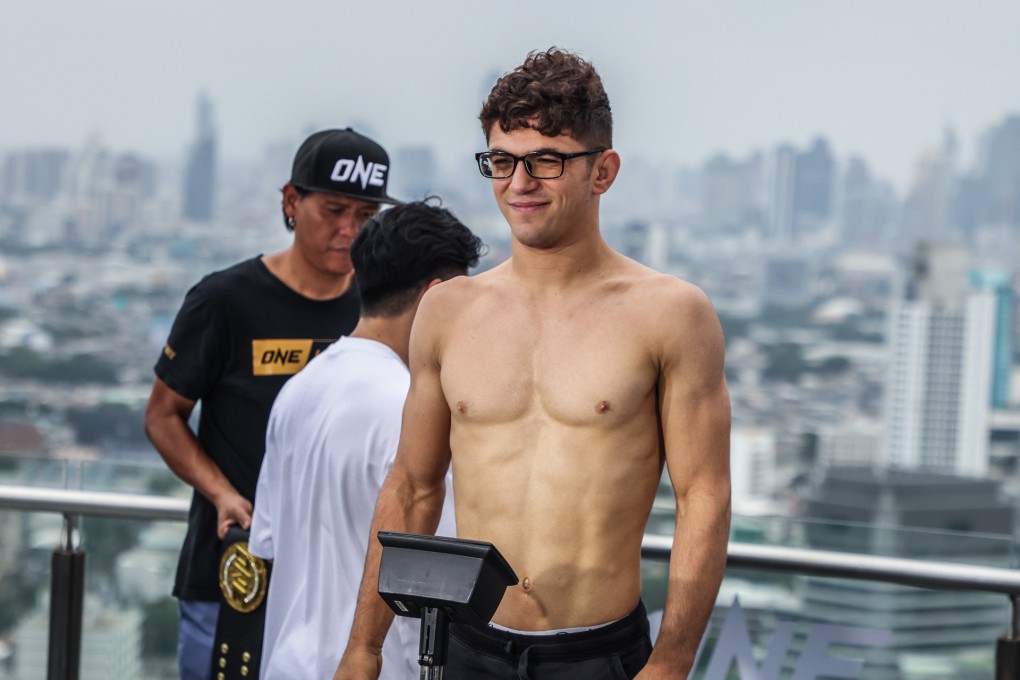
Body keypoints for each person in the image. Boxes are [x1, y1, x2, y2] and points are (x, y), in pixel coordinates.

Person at [337, 48, 731, 680]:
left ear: (603, 171)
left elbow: (703, 495)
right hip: (467, 648)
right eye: (502, 160)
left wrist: (672, 662)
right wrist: (364, 648)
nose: (519, 183)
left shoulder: (671, 314)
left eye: (546, 160)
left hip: (599, 655)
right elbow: (412, 487)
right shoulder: (448, 311)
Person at [143, 127, 401, 680]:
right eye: (333, 210)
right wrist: (221, 494)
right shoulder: (224, 300)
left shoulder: (378, 307)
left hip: (336, 583)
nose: (349, 230)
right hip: (234, 570)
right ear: (291, 201)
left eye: (365, 215)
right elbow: (163, 415)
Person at [247, 200, 483, 679]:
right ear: (434, 296)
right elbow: (461, 572)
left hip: (287, 662)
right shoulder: (415, 410)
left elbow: (267, 543)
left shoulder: (298, 390)